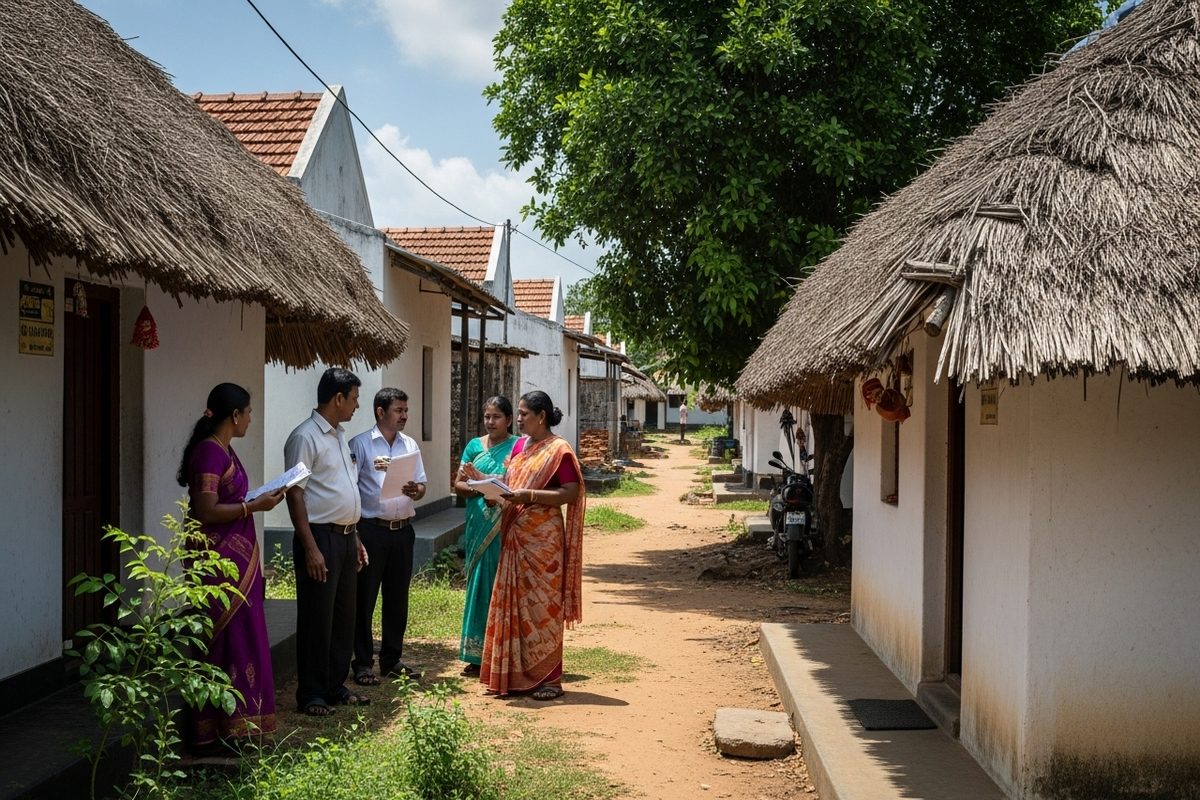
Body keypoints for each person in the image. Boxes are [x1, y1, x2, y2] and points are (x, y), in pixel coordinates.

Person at [177, 382, 286, 749]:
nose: (252, 419)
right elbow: (206, 510)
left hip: (237, 558)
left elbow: (229, 497)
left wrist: (259, 499)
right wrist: (253, 507)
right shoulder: (209, 453)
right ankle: (218, 728)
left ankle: (240, 724)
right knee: (225, 639)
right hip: (216, 562)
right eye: (249, 412)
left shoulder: (225, 449)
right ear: (234, 415)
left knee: (243, 635)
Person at [475, 390, 585, 701]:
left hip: (544, 542)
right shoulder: (521, 446)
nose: (519, 418)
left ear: (541, 416)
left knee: (542, 609)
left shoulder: (559, 450)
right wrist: (487, 485)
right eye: (519, 413)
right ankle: (510, 676)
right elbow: (511, 484)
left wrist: (530, 497)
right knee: (514, 606)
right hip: (515, 535)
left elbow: (571, 492)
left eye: (524, 413)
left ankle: (549, 680)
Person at [284, 367, 369, 716]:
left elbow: (343, 491)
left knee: (343, 617)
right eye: (354, 398)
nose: (356, 405)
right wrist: (310, 547)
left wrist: (357, 537)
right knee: (317, 618)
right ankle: (313, 693)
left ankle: (335, 684)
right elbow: (295, 494)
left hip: (347, 538)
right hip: (319, 538)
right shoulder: (305, 437)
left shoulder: (337, 435)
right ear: (338, 398)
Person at [348, 388, 427, 685]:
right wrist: (355, 533)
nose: (404, 415)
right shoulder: (360, 445)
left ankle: (391, 659)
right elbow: (351, 489)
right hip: (371, 530)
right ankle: (363, 663)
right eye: (399, 410)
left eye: (406, 410)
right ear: (380, 412)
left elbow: (422, 486)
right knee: (364, 598)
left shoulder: (410, 445)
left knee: (397, 598)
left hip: (403, 530)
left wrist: (415, 491)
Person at [452, 396, 518, 676]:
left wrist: (494, 490)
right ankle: (476, 655)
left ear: (509, 420)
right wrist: (482, 488)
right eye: (487, 416)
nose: (490, 422)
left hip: (505, 526)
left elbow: (518, 484)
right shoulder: (474, 446)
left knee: (501, 585)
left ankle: (501, 652)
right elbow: (457, 484)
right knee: (479, 586)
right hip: (478, 524)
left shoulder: (517, 448)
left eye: (496, 417)